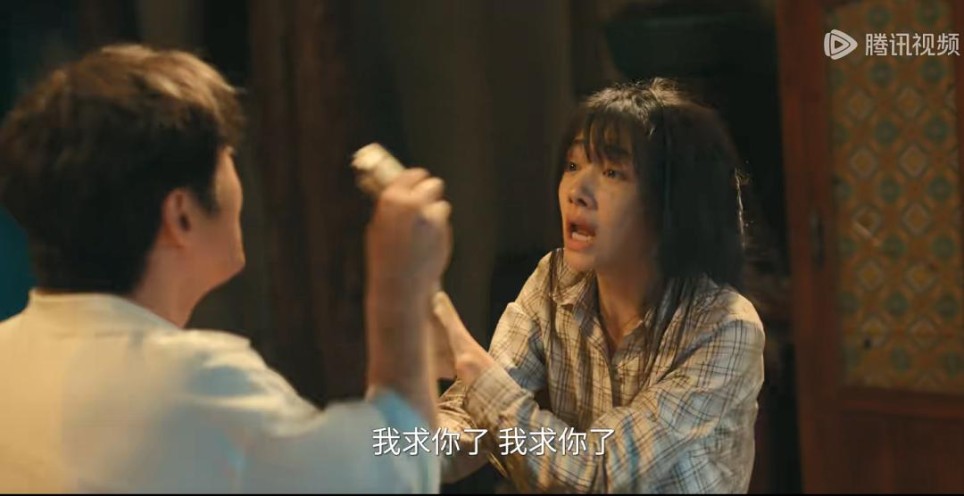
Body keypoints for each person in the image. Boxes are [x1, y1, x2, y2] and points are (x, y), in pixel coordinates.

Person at [0, 44, 449, 492]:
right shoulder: (196, 385)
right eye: (227, 155)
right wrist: (400, 294)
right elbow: (399, 472)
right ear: (181, 216)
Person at [432, 79, 766, 493]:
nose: (577, 191)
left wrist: (467, 361)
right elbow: (472, 425)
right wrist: (376, 445)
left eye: (611, 172)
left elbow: (601, 472)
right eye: (573, 166)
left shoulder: (725, 326)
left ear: (670, 203)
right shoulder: (554, 280)